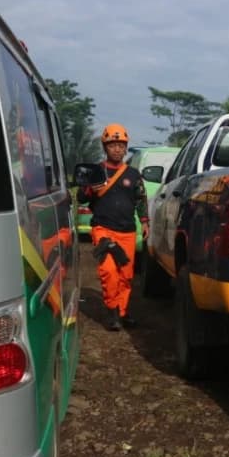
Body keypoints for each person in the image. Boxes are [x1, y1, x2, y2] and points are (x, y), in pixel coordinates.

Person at [78, 123, 149, 331]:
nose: (117, 149)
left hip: (127, 231)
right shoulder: (96, 172)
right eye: (112, 145)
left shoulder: (134, 174)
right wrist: (91, 189)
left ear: (126, 147)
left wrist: (145, 222)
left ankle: (123, 312)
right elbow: (81, 197)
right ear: (105, 147)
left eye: (121, 145)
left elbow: (141, 199)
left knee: (126, 276)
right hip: (103, 229)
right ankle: (112, 313)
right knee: (109, 271)